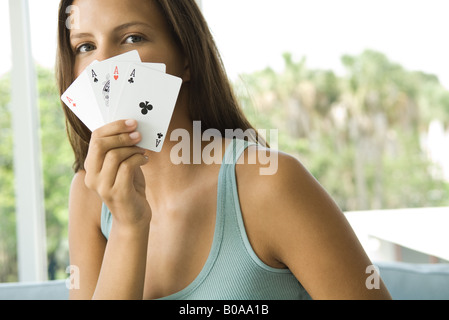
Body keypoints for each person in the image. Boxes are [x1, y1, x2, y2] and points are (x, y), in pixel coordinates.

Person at [57, 0, 392, 300]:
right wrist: (129, 226)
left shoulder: (269, 183)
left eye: (133, 38)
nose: (104, 65)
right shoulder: (88, 195)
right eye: (85, 46)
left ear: (186, 58)